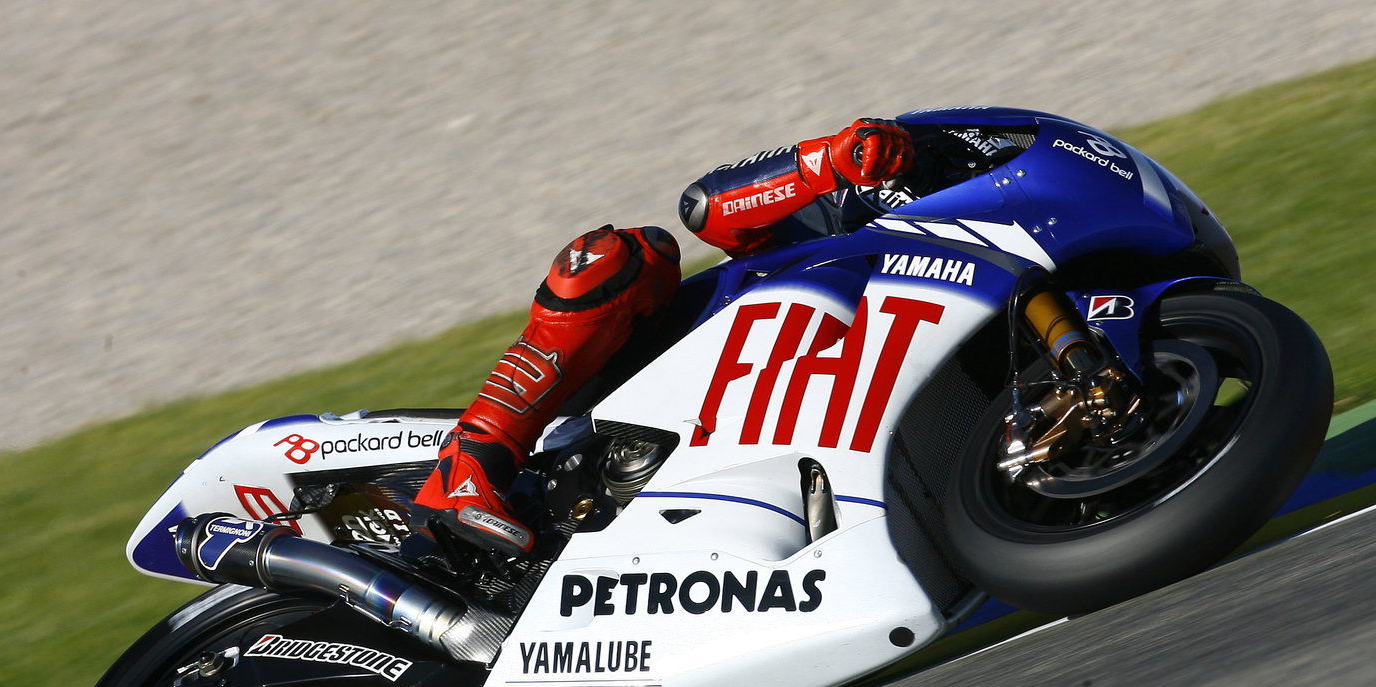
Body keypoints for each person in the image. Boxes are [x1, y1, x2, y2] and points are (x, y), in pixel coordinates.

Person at [412, 116, 1011, 556]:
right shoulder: (880, 171)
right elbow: (705, 206)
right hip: (703, 350)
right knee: (620, 255)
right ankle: (471, 459)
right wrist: (827, 161)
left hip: (811, 406)